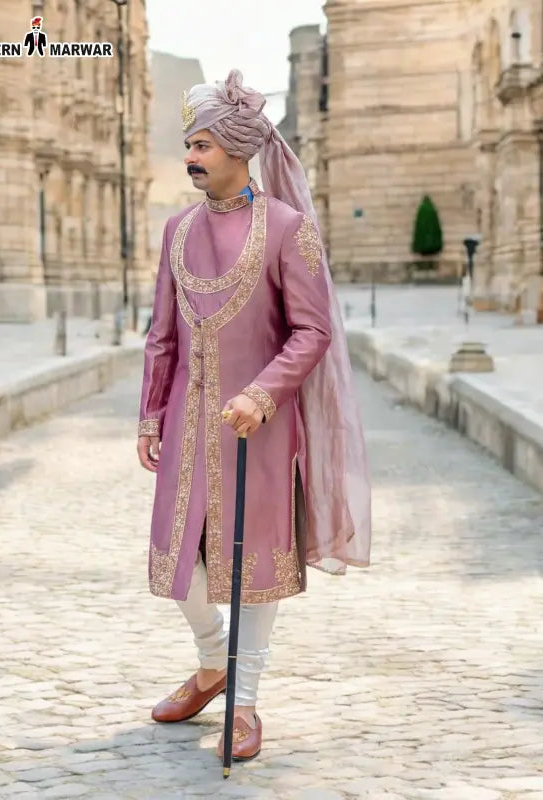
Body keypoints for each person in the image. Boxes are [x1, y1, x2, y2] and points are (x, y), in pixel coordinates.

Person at [137, 69, 371, 762]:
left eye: (203, 144)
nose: (192, 157)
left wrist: (263, 393)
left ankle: (244, 701)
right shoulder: (177, 230)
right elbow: (162, 333)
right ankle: (213, 663)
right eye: (189, 144)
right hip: (186, 419)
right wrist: (151, 412)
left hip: (259, 429)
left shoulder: (289, 231)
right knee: (182, 559)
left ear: (239, 148)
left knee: (253, 561)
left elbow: (312, 331)